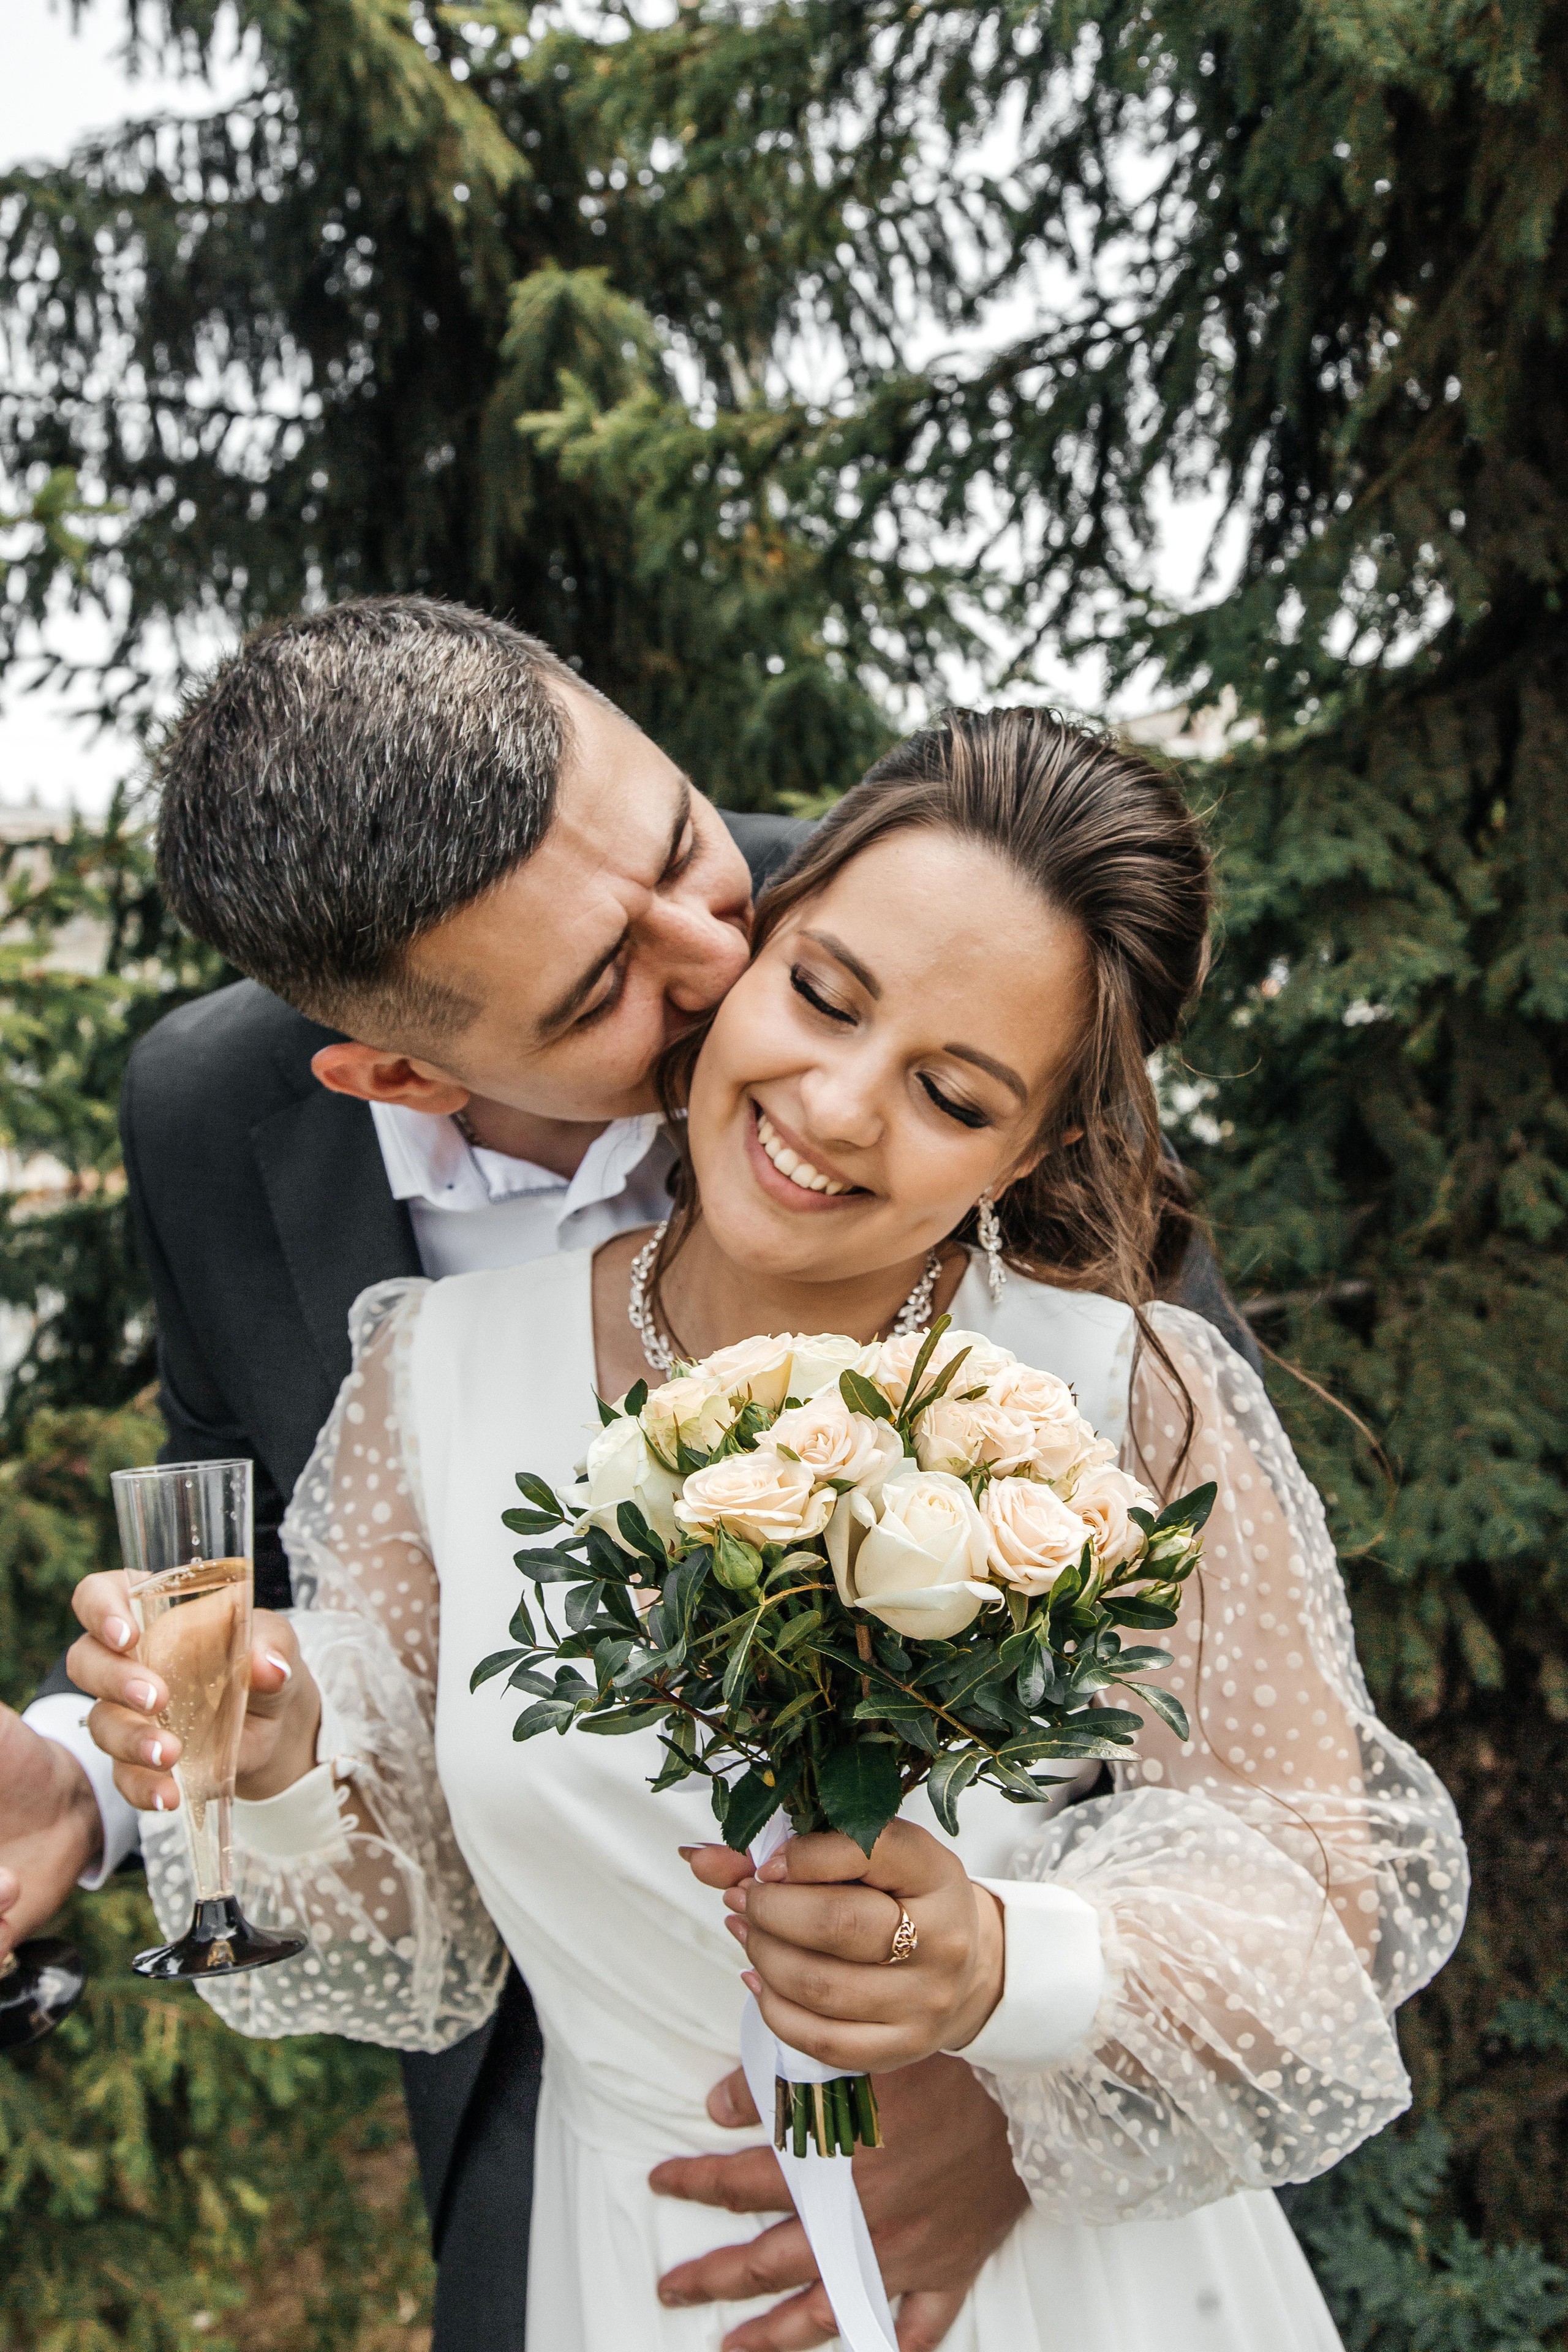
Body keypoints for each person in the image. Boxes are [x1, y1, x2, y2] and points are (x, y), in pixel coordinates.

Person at [70, 706, 1466, 2351]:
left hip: (1064, 2290)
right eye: (819, 997)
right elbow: (415, 1904)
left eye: (954, 1094)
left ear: (1040, 1142)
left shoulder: (1119, 1391)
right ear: (759, 948)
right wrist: (287, 1748)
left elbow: (1321, 1909)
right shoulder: (435, 1373)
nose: (842, 1103)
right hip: (635, 2265)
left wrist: (1008, 1975)